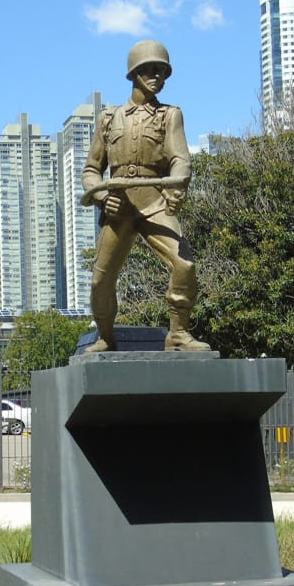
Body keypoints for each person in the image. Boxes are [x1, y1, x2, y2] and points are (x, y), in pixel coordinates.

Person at [80, 40, 209, 353]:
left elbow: (180, 158)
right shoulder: (108, 119)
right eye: (150, 70)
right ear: (134, 74)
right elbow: (91, 170)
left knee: (185, 265)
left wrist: (177, 187)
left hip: (155, 203)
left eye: (162, 71)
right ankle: (105, 337)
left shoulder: (170, 115)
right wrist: (99, 197)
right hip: (118, 207)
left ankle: (178, 334)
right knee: (101, 280)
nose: (157, 76)